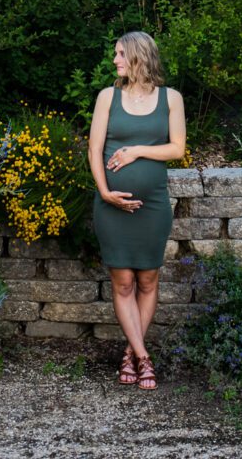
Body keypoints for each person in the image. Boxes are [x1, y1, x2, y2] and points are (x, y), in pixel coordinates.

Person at [88, 31, 186, 390]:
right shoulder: (107, 97)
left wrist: (138, 151)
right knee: (124, 281)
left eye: (120, 54)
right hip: (112, 207)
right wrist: (105, 192)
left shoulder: (170, 98)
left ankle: (131, 352)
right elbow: (94, 149)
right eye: (115, 54)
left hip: (153, 205)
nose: (115, 60)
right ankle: (145, 359)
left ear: (139, 57)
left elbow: (177, 149)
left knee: (148, 279)